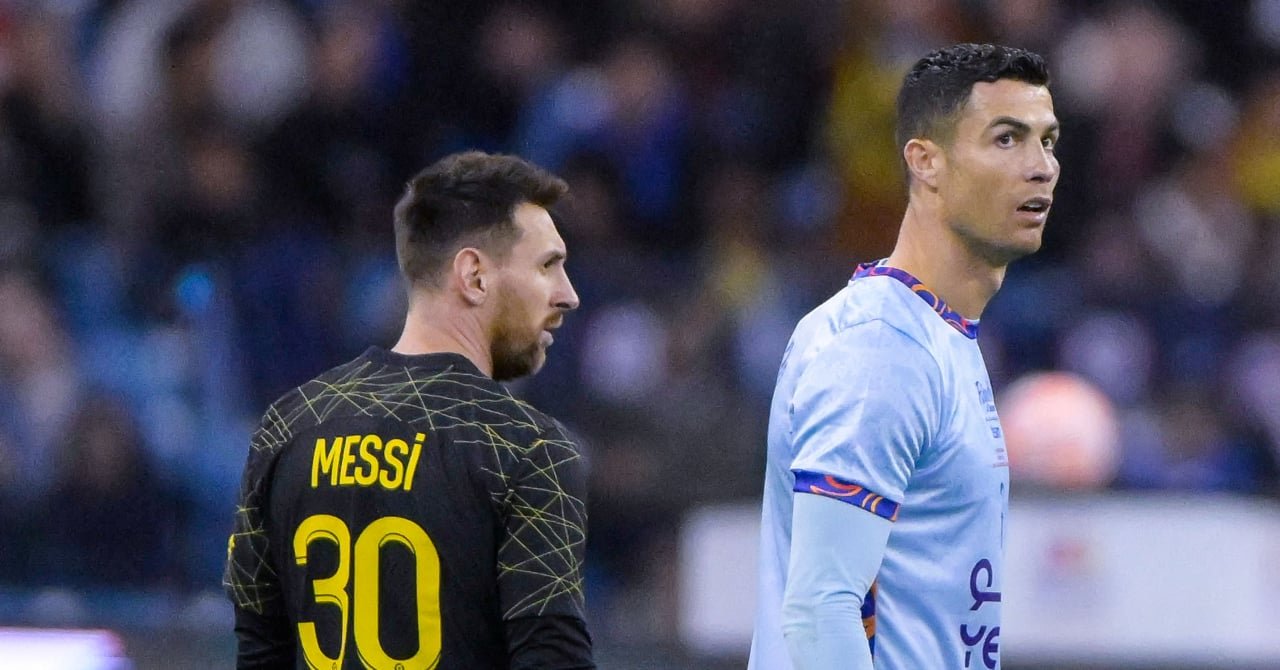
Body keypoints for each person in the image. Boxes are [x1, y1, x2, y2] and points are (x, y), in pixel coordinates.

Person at [749, 43, 1060, 669]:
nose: (1041, 167)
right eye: (1006, 139)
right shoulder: (879, 347)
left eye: (1048, 141)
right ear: (926, 162)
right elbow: (819, 610)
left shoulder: (938, 334)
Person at [223, 151, 595, 669]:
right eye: (547, 266)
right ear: (474, 275)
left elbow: (258, 652)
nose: (568, 295)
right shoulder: (529, 449)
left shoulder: (287, 426)